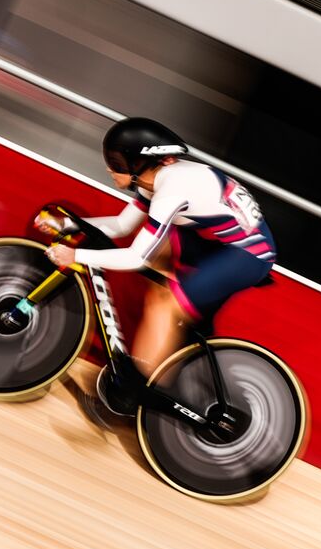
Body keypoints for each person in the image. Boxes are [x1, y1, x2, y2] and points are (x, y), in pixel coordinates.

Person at [36, 117, 276, 416]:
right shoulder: (154, 179)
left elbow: (136, 256)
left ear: (141, 161)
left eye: (117, 161)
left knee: (164, 303)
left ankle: (130, 395)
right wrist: (71, 224)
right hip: (214, 242)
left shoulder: (172, 188)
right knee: (159, 265)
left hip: (246, 254)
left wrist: (77, 257)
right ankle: (167, 356)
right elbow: (123, 226)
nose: (110, 168)